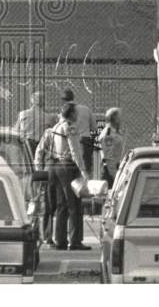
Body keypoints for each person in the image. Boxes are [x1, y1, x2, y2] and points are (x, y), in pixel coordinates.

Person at [49, 102, 90, 251]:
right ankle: (75, 241)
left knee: (62, 205)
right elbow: (75, 150)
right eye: (76, 111)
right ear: (72, 113)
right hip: (69, 166)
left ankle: (60, 240)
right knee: (74, 205)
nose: (78, 114)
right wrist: (83, 170)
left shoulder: (56, 126)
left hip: (58, 165)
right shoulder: (70, 127)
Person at [32, 123, 59, 247]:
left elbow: (39, 152)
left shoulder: (49, 133)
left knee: (51, 204)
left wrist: (40, 169)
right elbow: (39, 152)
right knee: (50, 204)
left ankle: (50, 237)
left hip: (52, 168)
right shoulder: (50, 133)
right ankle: (48, 237)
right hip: (54, 167)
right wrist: (40, 171)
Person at [60, 88, 97, 177]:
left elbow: (62, 129)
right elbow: (94, 127)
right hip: (86, 141)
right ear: (73, 97)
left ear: (63, 100)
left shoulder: (64, 112)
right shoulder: (85, 109)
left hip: (69, 143)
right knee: (87, 169)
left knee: (73, 170)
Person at [16, 90, 54, 159]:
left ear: (32, 101)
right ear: (43, 102)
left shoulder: (22, 114)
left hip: (25, 147)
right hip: (40, 148)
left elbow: (16, 130)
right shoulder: (49, 117)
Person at [97, 107, 126, 188]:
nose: (121, 120)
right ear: (114, 118)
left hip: (115, 168)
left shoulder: (116, 132)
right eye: (119, 117)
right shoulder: (108, 134)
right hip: (109, 171)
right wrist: (114, 175)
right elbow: (108, 156)